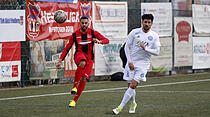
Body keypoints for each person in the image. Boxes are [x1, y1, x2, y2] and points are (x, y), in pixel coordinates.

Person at [112, 14, 161, 114]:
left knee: (133, 85)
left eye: (149, 22)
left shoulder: (154, 36)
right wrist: (129, 61)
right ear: (142, 22)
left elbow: (157, 51)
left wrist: (146, 48)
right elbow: (126, 47)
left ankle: (119, 108)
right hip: (131, 62)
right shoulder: (134, 32)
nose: (147, 24)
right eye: (145, 22)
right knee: (130, 85)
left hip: (143, 64)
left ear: (152, 23)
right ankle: (133, 103)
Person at [56, 16, 109, 107]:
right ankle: (74, 86)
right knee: (82, 62)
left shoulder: (92, 32)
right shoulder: (75, 34)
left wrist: (99, 42)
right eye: (82, 23)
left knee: (84, 78)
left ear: (88, 23)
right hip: (79, 55)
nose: (84, 25)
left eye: (86, 23)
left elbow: (106, 40)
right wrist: (60, 60)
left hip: (90, 58)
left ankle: (74, 100)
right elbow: (67, 48)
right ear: (79, 23)